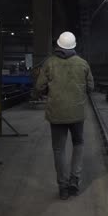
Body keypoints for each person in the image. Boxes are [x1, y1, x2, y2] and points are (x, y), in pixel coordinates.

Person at [36, 31, 94, 200]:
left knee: (59, 149)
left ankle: (63, 187)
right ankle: (75, 180)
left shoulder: (49, 63)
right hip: (77, 113)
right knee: (78, 143)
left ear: (58, 45)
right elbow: (91, 87)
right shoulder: (83, 63)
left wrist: (49, 91)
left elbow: (39, 87)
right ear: (74, 46)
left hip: (57, 114)